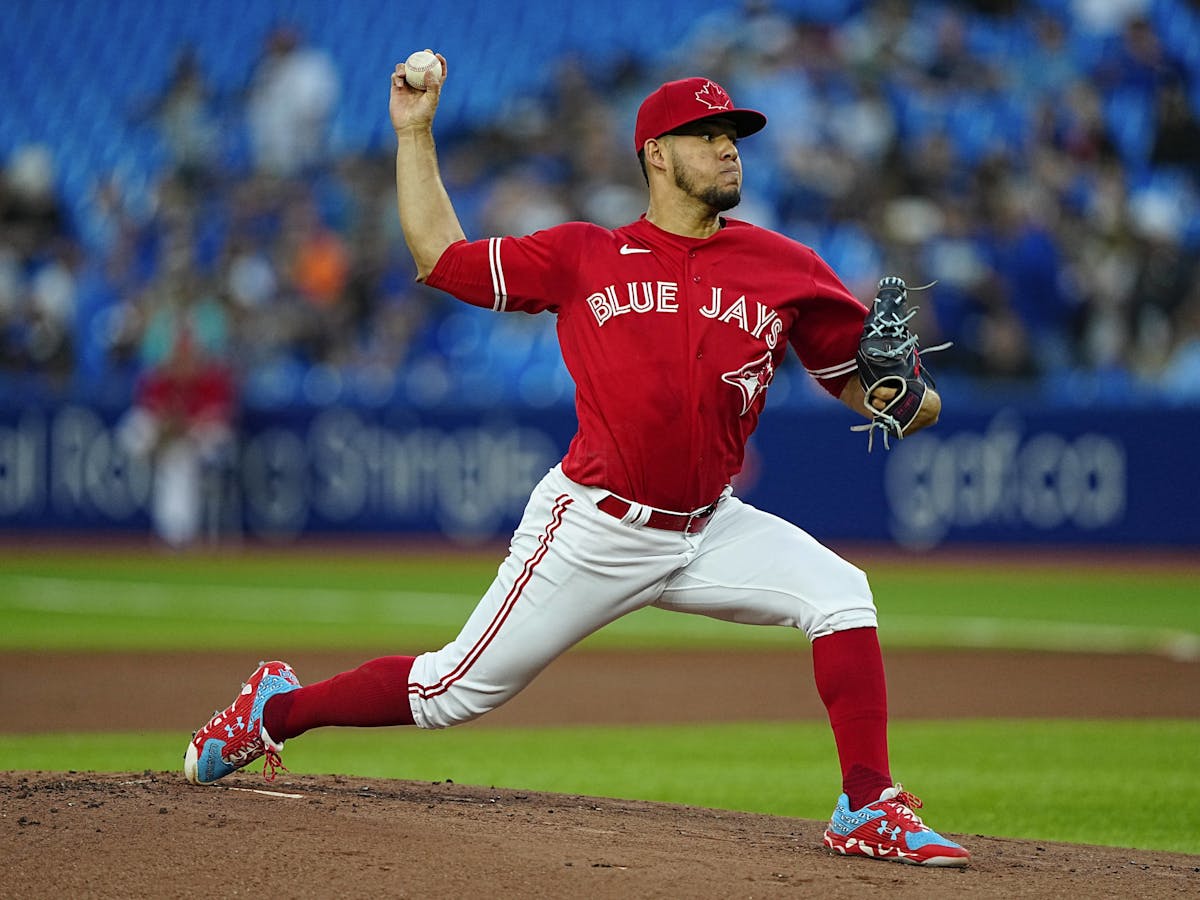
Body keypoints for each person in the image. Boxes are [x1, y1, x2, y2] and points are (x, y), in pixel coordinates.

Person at [184, 55, 970, 868]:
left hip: (710, 526)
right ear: (656, 155)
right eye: (708, 135)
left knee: (841, 593)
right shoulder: (585, 255)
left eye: (734, 133)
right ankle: (274, 711)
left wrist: (906, 391)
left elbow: (890, 399)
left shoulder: (785, 267)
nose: (730, 147)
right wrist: (415, 132)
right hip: (597, 524)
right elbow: (440, 257)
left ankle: (867, 805)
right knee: (448, 692)